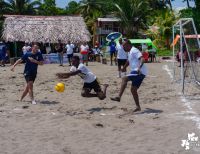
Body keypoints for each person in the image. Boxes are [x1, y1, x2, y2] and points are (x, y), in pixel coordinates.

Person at [110, 39, 148, 112]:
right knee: (133, 90)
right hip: (140, 73)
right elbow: (128, 61)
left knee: (124, 78)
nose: (123, 47)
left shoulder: (134, 50)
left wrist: (139, 68)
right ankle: (138, 107)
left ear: (128, 45)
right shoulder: (130, 52)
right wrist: (124, 68)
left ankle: (118, 97)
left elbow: (142, 59)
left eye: (124, 46)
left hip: (139, 71)